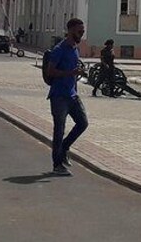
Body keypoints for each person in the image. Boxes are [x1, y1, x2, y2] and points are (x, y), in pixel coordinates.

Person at [45, 18, 88, 176]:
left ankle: (64, 148)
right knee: (59, 130)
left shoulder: (75, 48)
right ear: (70, 30)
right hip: (59, 96)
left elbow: (74, 71)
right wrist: (70, 73)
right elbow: (51, 72)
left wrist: (77, 75)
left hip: (72, 95)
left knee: (83, 123)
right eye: (79, 31)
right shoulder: (59, 49)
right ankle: (57, 165)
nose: (81, 34)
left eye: (83, 32)